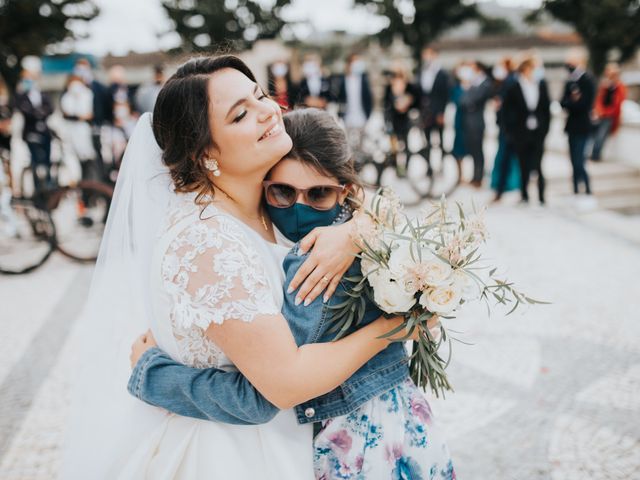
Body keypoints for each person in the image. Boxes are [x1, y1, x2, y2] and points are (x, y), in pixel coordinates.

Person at [61, 55, 420, 480]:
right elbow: (284, 383)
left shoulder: (268, 202)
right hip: (233, 454)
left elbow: (351, 199)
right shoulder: (206, 242)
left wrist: (356, 229)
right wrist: (396, 327)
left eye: (260, 94)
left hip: (292, 443)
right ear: (205, 153)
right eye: (241, 114)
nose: (269, 110)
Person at [126, 108, 455, 479]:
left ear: (343, 190)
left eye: (318, 194)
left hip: (356, 442)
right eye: (282, 192)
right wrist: (359, 226)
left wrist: (150, 374)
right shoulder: (363, 230)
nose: (299, 208)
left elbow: (263, 394)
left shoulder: (314, 262)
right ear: (263, 186)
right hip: (407, 421)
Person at [503, 55, 551, 205]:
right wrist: (511, 130)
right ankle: (524, 195)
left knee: (538, 165)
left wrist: (544, 129)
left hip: (537, 132)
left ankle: (542, 196)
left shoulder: (541, 85)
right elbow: (507, 111)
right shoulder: (513, 87)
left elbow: (546, 109)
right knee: (523, 165)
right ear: (525, 69)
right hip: (521, 132)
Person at [560, 49, 595, 199]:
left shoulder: (587, 80)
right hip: (571, 126)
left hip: (583, 126)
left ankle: (586, 189)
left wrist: (572, 103)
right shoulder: (570, 81)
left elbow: (584, 104)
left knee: (580, 160)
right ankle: (575, 189)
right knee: (573, 160)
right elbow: (563, 102)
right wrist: (572, 102)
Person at [14, 68, 54, 193]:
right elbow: (25, 110)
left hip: (45, 132)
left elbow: (49, 108)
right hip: (30, 132)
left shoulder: (43, 94)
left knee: (47, 159)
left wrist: (39, 112)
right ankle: (38, 188)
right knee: (35, 160)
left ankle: (48, 183)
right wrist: (38, 113)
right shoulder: (21, 96)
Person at [74, 58, 111, 180]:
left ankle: (102, 181)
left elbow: (106, 106)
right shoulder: (74, 88)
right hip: (80, 131)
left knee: (99, 156)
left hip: (97, 128)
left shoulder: (99, 87)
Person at [491, 56, 521, 200]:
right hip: (505, 126)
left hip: (509, 128)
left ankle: (504, 187)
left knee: (506, 157)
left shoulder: (511, 82)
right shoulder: (504, 83)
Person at [460, 61, 493, 187]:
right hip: (470, 121)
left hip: (477, 122)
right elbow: (463, 101)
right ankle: (475, 176)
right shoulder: (473, 84)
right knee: (473, 151)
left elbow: (473, 100)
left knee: (478, 151)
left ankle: (479, 178)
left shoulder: (485, 83)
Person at [418, 47, 450, 174]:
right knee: (427, 141)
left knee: (440, 140)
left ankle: (441, 165)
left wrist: (442, 112)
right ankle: (429, 167)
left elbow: (445, 95)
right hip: (425, 112)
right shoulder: (422, 72)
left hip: (438, 111)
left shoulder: (442, 74)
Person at [336, 53, 373, 153]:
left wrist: (368, 114)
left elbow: (369, 98)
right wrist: (340, 115)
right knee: (348, 146)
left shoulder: (364, 79)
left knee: (362, 146)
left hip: (362, 116)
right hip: (347, 117)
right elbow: (340, 98)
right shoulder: (343, 79)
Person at [383, 63, 418, 167]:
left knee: (406, 143)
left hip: (405, 118)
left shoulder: (409, 86)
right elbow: (386, 103)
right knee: (394, 144)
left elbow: (416, 100)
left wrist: (407, 102)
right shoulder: (389, 86)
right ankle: (396, 165)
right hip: (393, 118)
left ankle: (406, 165)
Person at [590, 62, 626, 161]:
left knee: (601, 135)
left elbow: (617, 103)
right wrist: (599, 111)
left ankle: (595, 155)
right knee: (595, 135)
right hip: (601, 115)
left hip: (609, 116)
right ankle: (594, 154)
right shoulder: (604, 86)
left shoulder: (619, 87)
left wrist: (605, 112)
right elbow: (599, 100)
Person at [60, 74, 95, 166]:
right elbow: (66, 114)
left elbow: (89, 115)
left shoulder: (87, 94)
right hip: (69, 129)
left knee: (86, 154)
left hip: (83, 129)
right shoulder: (66, 97)